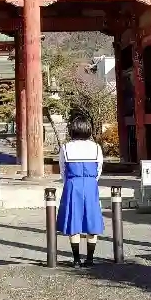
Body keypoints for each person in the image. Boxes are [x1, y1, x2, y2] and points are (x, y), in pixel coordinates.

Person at [56, 114, 105, 267]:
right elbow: (99, 170)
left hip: (73, 184)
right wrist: (90, 181)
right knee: (92, 220)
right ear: (88, 129)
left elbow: (63, 170)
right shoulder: (96, 147)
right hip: (90, 185)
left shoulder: (66, 147)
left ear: (72, 130)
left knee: (73, 221)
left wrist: (70, 182)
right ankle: (90, 258)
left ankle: (76, 259)